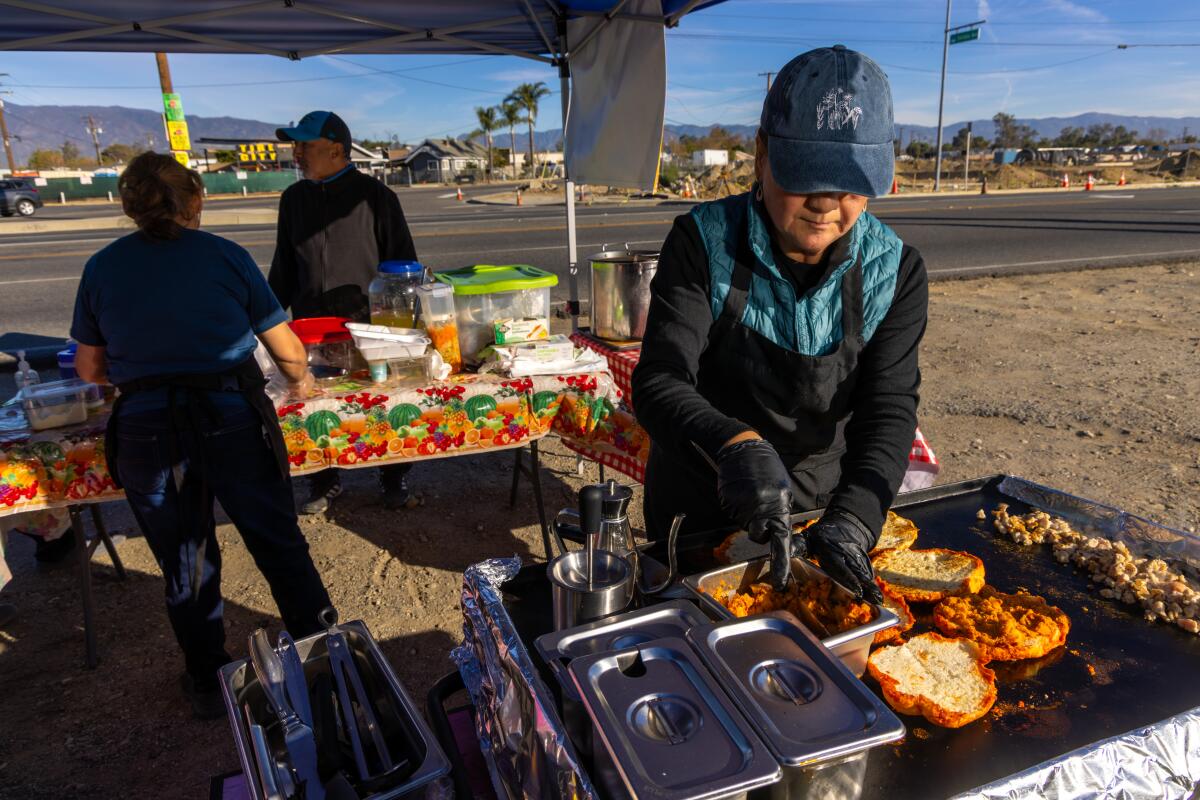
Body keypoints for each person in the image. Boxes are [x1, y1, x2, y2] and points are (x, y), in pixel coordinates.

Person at [631, 46, 928, 601]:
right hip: (700, 496)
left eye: (849, 185)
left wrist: (857, 519)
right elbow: (659, 380)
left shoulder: (899, 270)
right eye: (806, 178)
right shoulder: (701, 242)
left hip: (820, 502)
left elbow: (888, 407)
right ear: (762, 155)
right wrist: (736, 445)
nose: (825, 204)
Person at [70, 152, 332, 719]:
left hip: (145, 428)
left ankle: (208, 680)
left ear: (130, 206)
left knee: (186, 559)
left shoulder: (102, 266)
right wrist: (302, 379)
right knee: (277, 542)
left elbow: (89, 371)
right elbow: (287, 351)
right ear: (195, 200)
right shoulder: (225, 256)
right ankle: (323, 658)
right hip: (230, 416)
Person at [270, 110, 419, 514]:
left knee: (383, 403)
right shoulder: (293, 199)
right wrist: (262, 320)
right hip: (310, 330)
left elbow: (404, 263)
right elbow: (283, 266)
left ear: (336, 149)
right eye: (295, 145)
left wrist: (400, 324)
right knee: (314, 405)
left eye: (305, 145)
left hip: (368, 327)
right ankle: (323, 477)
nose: (297, 153)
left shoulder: (376, 197)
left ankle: (393, 473)